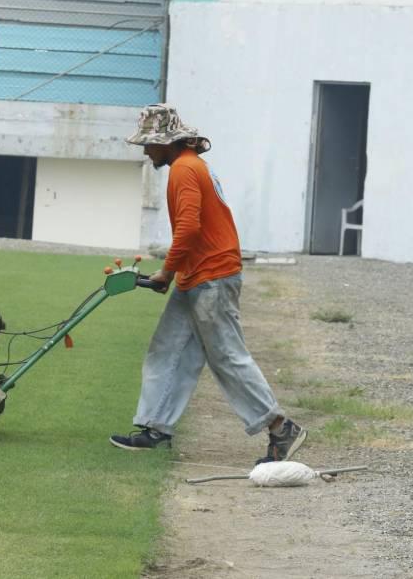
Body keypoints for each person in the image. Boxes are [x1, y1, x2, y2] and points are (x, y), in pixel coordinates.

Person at [109, 104, 307, 464]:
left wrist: (166, 273)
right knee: (168, 349)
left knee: (227, 356)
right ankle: (156, 428)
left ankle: (281, 427)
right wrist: (175, 272)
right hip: (198, 274)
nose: (145, 150)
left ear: (166, 142)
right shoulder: (189, 165)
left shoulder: (184, 169)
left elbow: (189, 228)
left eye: (149, 144)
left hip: (212, 277)